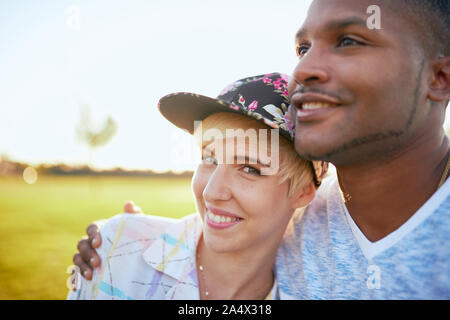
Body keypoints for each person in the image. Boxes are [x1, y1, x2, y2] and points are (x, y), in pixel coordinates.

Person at [74, 0, 450, 299]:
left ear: (439, 78)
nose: (302, 69)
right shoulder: (309, 213)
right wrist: (130, 244)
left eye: (349, 41)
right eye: (303, 47)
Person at [67, 72, 328, 300]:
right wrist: (124, 236)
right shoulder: (117, 250)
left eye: (250, 169)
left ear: (303, 191)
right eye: (209, 158)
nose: (211, 192)